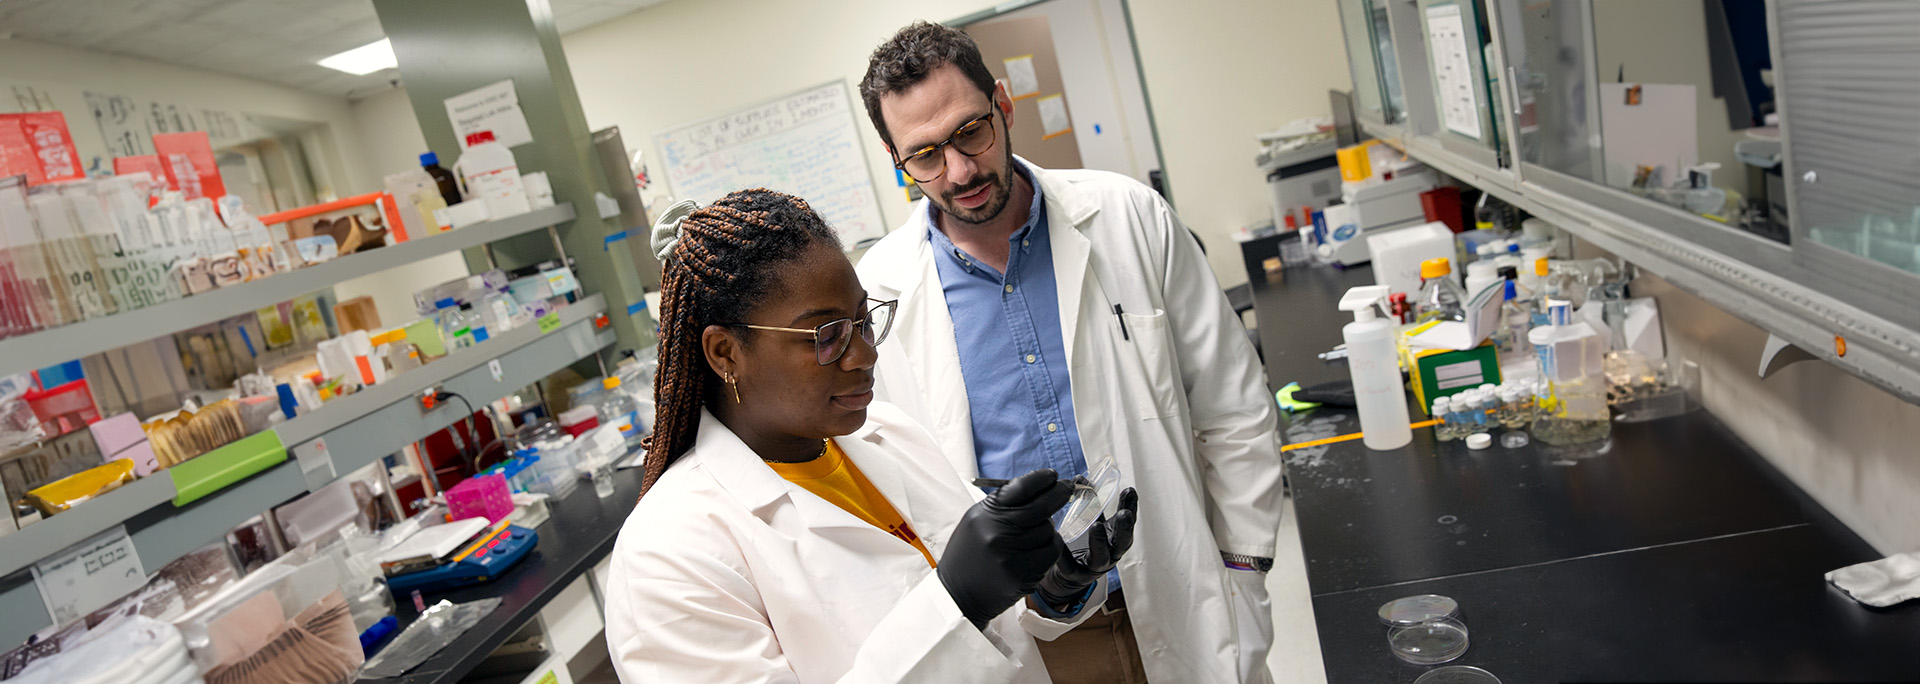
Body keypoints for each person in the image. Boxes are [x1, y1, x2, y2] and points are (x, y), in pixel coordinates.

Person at [855, 22, 1286, 684]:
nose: (960, 170)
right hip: (1026, 639)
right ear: (895, 157)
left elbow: (1232, 404)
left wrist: (1243, 568)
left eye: (972, 131)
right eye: (925, 155)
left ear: (1003, 102)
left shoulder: (1128, 217)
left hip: (1181, 595)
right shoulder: (878, 293)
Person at [602, 189, 1139, 684]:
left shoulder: (888, 434)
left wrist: (1052, 590)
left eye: (863, 320)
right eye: (826, 335)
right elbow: (955, 613)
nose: (865, 354)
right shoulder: (669, 554)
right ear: (725, 353)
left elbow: (1002, 638)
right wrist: (956, 602)